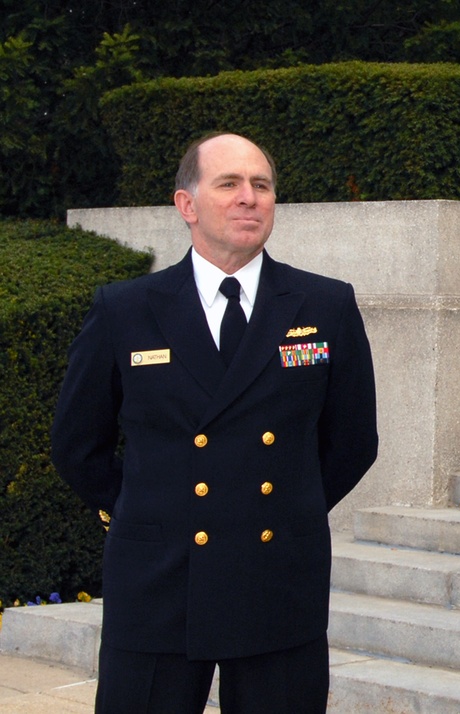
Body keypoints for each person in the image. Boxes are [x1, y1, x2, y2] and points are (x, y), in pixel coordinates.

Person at [51, 132, 378, 714]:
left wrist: (284, 507)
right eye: (229, 183)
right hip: (158, 579)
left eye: (262, 184)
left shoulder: (324, 305)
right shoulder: (126, 309)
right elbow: (78, 446)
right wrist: (146, 509)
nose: (249, 197)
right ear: (187, 204)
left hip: (277, 577)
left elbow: (353, 440)